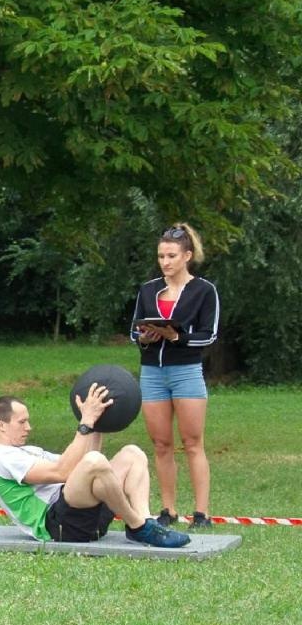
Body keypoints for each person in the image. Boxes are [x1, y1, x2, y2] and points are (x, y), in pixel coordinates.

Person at [0, 388, 190, 548]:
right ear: (1, 425)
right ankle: (139, 526)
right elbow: (62, 473)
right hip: (59, 526)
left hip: (84, 515)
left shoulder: (28, 450)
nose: (28, 427)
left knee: (132, 454)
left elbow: (80, 467)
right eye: (22, 422)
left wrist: (97, 423)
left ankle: (144, 521)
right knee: (94, 461)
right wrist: (86, 422)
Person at [130, 222, 220, 529]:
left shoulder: (204, 291)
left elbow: (209, 335)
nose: (165, 262)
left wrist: (176, 337)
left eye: (171, 256)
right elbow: (134, 332)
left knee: (192, 442)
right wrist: (146, 337)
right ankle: (167, 510)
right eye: (161, 256)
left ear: (187, 256)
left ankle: (201, 513)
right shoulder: (148, 289)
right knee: (161, 444)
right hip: (152, 373)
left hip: (186, 372)